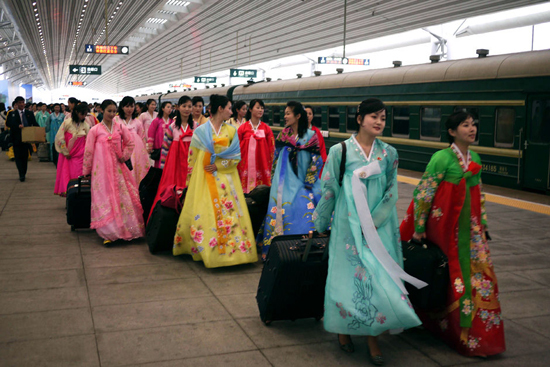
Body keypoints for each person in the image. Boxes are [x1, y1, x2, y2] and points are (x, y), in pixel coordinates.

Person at [313, 98, 425, 365]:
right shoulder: (341, 151)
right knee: (346, 277)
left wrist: (373, 221)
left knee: (377, 278)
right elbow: (329, 189)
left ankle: (372, 335)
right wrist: (320, 224)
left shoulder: (389, 153)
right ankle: (343, 329)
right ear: (360, 118)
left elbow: (391, 192)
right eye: (374, 116)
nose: (379, 122)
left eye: (383, 118)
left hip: (378, 227)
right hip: (346, 226)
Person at [400, 111, 506, 357]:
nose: (472, 129)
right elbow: (424, 193)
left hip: (472, 234)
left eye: (474, 124)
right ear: (451, 131)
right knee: (452, 278)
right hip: (447, 233)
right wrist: (418, 228)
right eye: (465, 125)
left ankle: (480, 337)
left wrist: (484, 224)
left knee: (482, 280)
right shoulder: (441, 158)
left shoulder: (475, 157)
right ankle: (455, 332)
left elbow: (479, 194)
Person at [173, 94, 257, 268]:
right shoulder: (200, 131)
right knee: (206, 211)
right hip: (204, 179)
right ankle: (206, 249)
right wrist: (192, 181)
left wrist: (219, 165)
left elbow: (236, 157)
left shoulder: (231, 131)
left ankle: (233, 253)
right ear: (220, 109)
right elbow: (193, 158)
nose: (231, 111)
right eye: (228, 107)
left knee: (228, 213)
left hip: (226, 179)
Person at [257, 101, 324, 259]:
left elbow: (316, 160)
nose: (285, 116)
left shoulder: (311, 136)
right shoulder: (283, 135)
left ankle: (306, 246)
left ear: (298, 116)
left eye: (288, 113)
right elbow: (276, 159)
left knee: (305, 208)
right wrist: (274, 180)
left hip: (305, 181)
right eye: (285, 113)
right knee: (284, 209)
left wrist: (309, 181)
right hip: (284, 182)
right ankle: (280, 249)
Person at [82, 99, 144, 246]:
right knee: (105, 197)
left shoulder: (119, 128)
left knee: (123, 197)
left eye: (113, 111)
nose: (111, 114)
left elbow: (130, 143)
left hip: (119, 169)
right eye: (108, 111)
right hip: (101, 171)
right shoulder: (95, 130)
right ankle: (109, 232)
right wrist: (87, 170)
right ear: (102, 111)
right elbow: (89, 152)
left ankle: (128, 229)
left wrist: (124, 155)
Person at [147, 96, 194, 221]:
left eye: (189, 106)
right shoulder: (172, 127)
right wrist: (163, 168)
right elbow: (165, 148)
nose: (187, 109)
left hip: (191, 166)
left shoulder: (196, 127)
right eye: (184, 106)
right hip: (175, 167)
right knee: (173, 192)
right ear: (178, 108)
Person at [237, 98, 275, 193]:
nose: (260, 110)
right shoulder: (243, 128)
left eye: (262, 108)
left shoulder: (266, 129)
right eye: (258, 107)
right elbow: (237, 146)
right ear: (250, 109)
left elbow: (271, 147)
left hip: (262, 164)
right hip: (245, 165)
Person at [54, 103, 90, 197]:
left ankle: (78, 196)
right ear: (77, 112)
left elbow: (88, 140)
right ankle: (69, 197)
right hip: (68, 155)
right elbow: (59, 137)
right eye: (82, 114)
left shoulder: (86, 125)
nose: (84, 116)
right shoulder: (67, 122)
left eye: (85, 114)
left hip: (80, 156)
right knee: (67, 176)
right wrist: (65, 151)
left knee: (78, 176)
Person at [114, 96, 151, 184]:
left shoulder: (137, 122)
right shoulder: (115, 120)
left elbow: (142, 137)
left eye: (132, 106)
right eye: (127, 106)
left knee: (135, 169)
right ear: (122, 107)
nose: (130, 109)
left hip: (136, 151)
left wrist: (145, 151)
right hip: (120, 150)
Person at [6, 96, 39, 181]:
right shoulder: (12, 114)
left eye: (22, 102)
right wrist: (17, 126)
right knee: (18, 157)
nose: (21, 104)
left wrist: (40, 132)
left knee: (25, 157)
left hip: (27, 138)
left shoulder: (29, 113)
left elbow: (34, 123)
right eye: (19, 103)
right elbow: (8, 123)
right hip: (16, 139)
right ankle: (21, 173)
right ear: (16, 104)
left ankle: (23, 172)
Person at [147, 101, 173, 168]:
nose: (170, 109)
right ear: (163, 108)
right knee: (159, 168)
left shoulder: (172, 122)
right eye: (168, 107)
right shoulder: (157, 121)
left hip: (170, 149)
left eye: (171, 107)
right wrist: (150, 146)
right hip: (159, 149)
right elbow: (151, 133)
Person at [305, 105, 327, 170]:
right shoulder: (297, 130)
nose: (308, 115)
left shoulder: (316, 132)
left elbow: (322, 149)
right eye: (306, 113)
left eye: (310, 114)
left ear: (312, 116)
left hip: (314, 164)